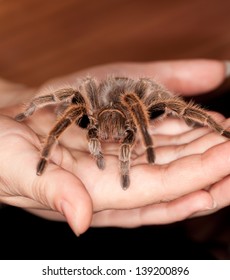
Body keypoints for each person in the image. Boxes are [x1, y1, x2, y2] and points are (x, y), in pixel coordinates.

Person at [0, 59, 230, 237]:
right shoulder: (89, 113)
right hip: (103, 102)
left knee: (164, 102)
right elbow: (77, 91)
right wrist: (26, 106)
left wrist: (146, 141)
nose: (110, 134)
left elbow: (155, 96)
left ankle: (214, 128)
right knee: (73, 100)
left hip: (129, 102)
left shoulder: (135, 108)